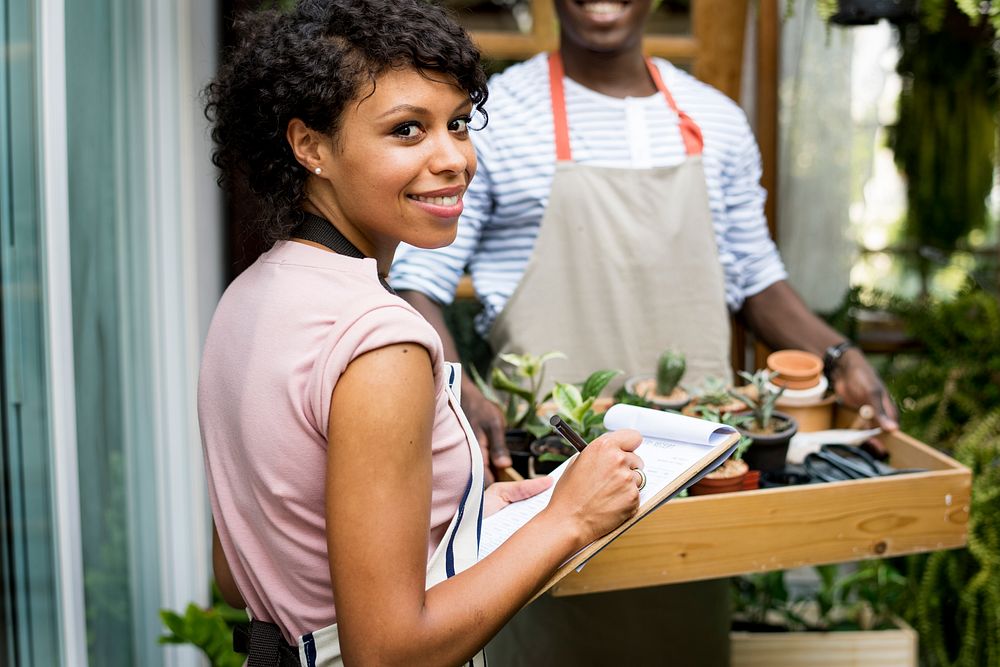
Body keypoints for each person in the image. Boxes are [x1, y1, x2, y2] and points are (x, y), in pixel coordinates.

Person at [389, 0, 900, 664]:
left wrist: (837, 353)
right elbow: (417, 283)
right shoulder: (493, 118)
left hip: (691, 479)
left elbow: (754, 279)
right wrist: (458, 389)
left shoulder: (716, 120)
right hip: (546, 475)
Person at [198, 2, 649, 665]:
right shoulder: (382, 341)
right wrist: (568, 519)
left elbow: (240, 570)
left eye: (459, 123)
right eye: (408, 130)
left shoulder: (250, 297)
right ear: (309, 145)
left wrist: (462, 515)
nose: (455, 159)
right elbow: (388, 652)